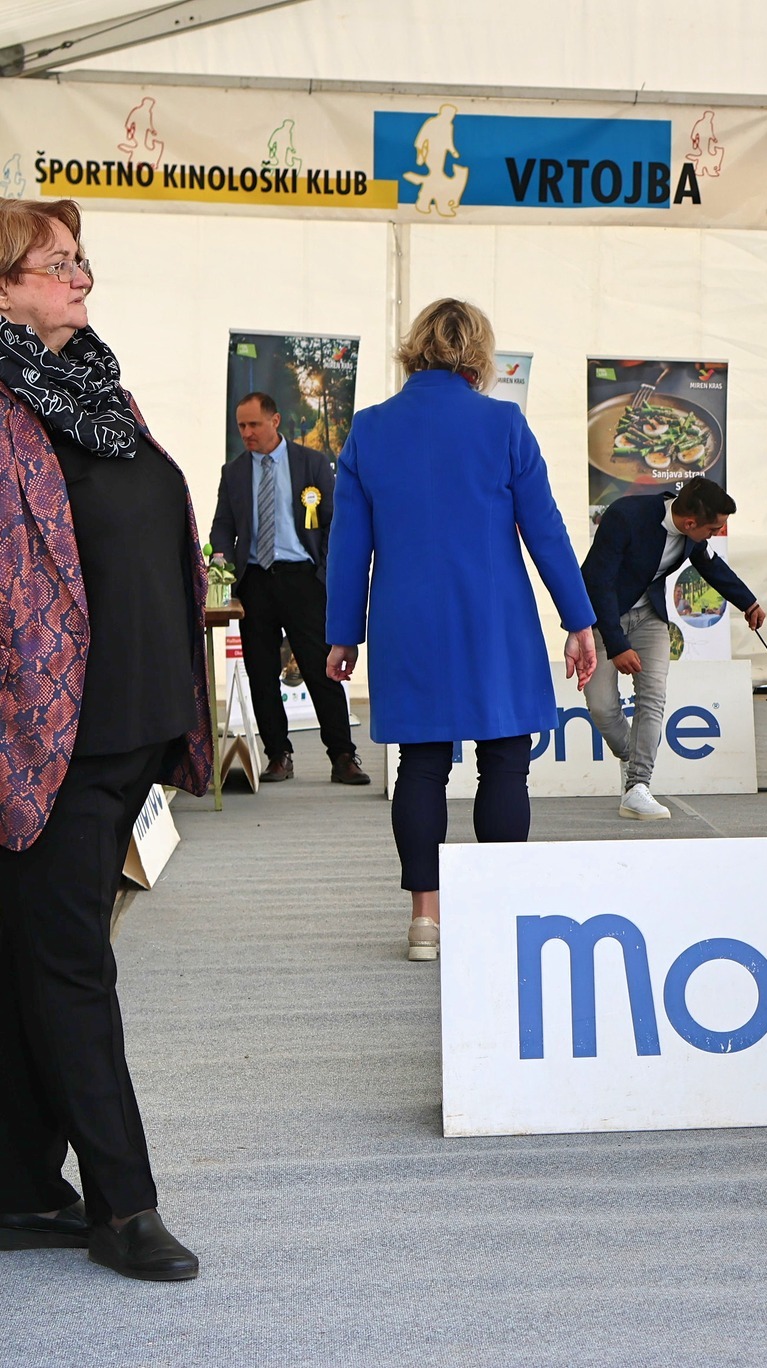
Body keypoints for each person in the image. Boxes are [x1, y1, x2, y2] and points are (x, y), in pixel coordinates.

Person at [0, 197, 209, 1280]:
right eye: (55, 262)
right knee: (71, 965)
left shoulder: (96, 391)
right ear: (2, 285)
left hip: (131, 730)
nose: (82, 276)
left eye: (83, 259)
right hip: (43, 744)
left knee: (34, 954)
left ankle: (23, 1182)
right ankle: (123, 1208)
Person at [323, 299, 597, 963]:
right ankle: (499, 915)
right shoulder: (504, 423)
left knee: (419, 764)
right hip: (494, 616)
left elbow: (347, 545)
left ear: (414, 349)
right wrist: (579, 618)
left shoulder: (370, 429)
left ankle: (426, 922)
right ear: (479, 354)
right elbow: (547, 532)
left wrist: (342, 634)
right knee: (504, 758)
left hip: (406, 618)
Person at [207, 391, 369, 785]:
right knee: (261, 673)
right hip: (255, 582)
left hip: (303, 579)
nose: (247, 432)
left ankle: (343, 756)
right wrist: (220, 560)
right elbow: (223, 526)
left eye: (254, 424)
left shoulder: (311, 463)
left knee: (320, 669)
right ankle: (278, 755)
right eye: (241, 426)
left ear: (275, 421)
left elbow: (335, 521)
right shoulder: (234, 472)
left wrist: (325, 573)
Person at [580, 477, 765, 820]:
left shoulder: (693, 537)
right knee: (601, 706)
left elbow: (711, 566)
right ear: (690, 522)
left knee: (653, 697)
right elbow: (597, 582)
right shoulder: (625, 516)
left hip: (650, 617)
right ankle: (632, 758)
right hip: (605, 618)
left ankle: (638, 785)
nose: (715, 534)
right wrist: (617, 644)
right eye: (713, 528)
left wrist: (748, 602)